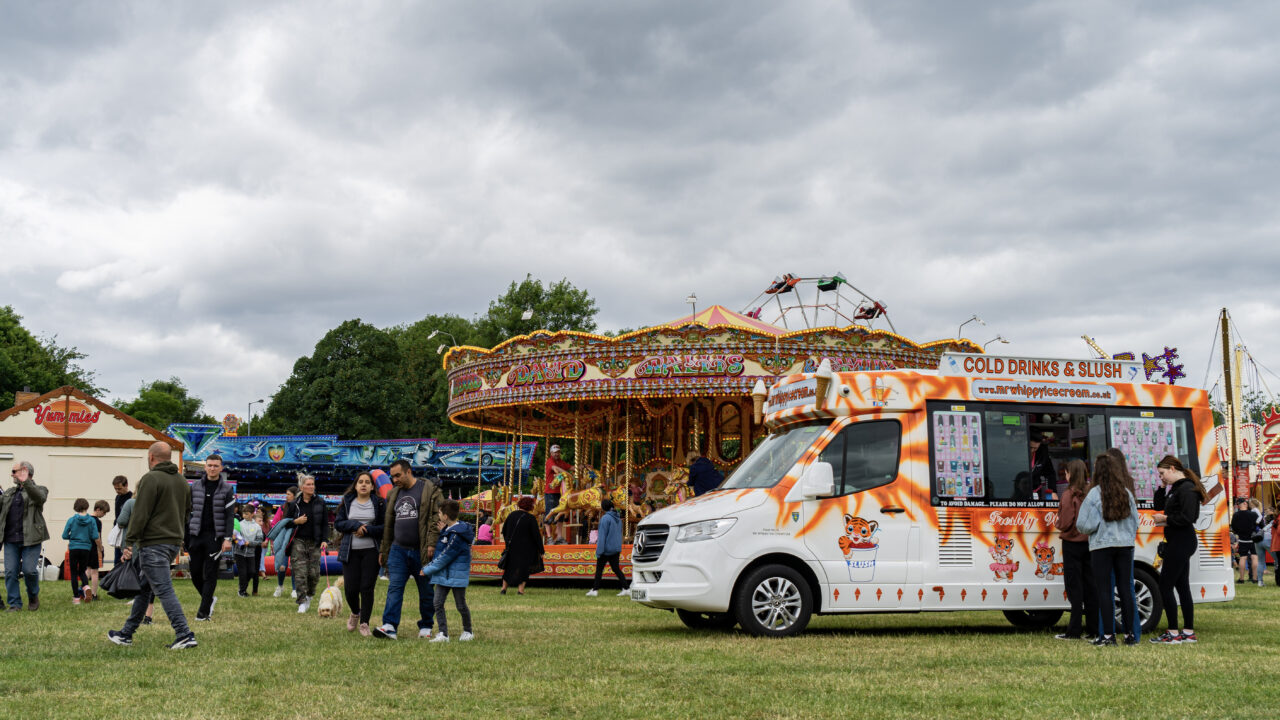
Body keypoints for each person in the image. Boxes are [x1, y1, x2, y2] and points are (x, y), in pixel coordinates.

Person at [108, 441, 197, 649]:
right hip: (173, 542)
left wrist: (129, 542)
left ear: (151, 457)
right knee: (144, 589)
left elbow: (141, 513)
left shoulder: (150, 479)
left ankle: (184, 634)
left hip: (153, 544)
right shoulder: (182, 482)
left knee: (164, 589)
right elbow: (186, 514)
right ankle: (126, 633)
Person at [373, 459, 444, 640]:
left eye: (398, 475)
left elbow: (437, 519)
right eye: (392, 476)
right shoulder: (393, 494)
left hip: (421, 549)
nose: (395, 479)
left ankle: (426, 626)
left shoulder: (429, 490)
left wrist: (432, 543)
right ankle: (389, 626)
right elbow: (388, 525)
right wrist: (384, 549)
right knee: (394, 587)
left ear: (408, 472)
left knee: (426, 590)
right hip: (398, 549)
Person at [1076, 453, 1139, 646]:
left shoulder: (1094, 494)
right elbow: (1135, 521)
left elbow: (1083, 525)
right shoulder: (1125, 492)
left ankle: (1109, 635)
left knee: (1104, 591)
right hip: (1125, 546)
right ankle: (1129, 634)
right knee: (1126, 590)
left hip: (1102, 546)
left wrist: (1098, 526)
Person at [1150, 455, 1206, 644]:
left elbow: (1188, 517)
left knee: (1165, 586)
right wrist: (1161, 489)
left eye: (1163, 474)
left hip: (1182, 540)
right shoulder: (1175, 489)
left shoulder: (1188, 489)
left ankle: (1173, 632)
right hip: (1177, 540)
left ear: (1173, 469)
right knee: (1181, 586)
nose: (1161, 477)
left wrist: (1165, 520)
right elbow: (1159, 506)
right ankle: (1188, 632)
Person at [334, 471, 386, 636]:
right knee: (350, 588)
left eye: (367, 482)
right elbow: (339, 523)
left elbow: (385, 527)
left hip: (371, 551)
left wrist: (367, 530)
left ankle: (364, 623)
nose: (363, 484)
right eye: (360, 482)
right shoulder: (348, 501)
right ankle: (355, 612)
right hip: (350, 551)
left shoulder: (379, 503)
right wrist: (355, 526)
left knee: (367, 588)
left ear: (372, 487)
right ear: (355, 486)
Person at [186, 454, 235, 621]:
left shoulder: (227, 489)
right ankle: (209, 599)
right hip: (196, 535)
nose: (212, 468)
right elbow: (187, 511)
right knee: (195, 573)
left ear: (221, 468)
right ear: (205, 467)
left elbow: (229, 516)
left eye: (215, 466)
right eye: (210, 465)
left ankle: (203, 612)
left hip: (215, 536)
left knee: (210, 573)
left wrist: (227, 538)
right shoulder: (195, 486)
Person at [1052, 459, 1097, 640]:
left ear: (1071, 474)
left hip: (1072, 543)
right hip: (1090, 543)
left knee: (1074, 588)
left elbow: (1065, 521)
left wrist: (1058, 523)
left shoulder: (1068, 494)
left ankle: (1074, 629)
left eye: (1067, 472)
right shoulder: (1091, 493)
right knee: (1091, 587)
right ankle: (1093, 629)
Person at [420, 499, 475, 643]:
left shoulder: (457, 535)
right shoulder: (450, 532)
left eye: (439, 512)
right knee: (437, 603)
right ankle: (443, 634)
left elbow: (446, 556)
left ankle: (468, 631)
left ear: (445, 516)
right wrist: (444, 531)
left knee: (460, 605)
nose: (438, 515)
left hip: (456, 575)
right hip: (444, 574)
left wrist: (427, 569)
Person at [1104, 447, 1143, 641]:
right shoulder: (1129, 483)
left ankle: (1106, 632)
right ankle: (1133, 632)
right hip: (1127, 540)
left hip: (1107, 540)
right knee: (1127, 588)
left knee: (1106, 588)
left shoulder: (1103, 486)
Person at [2, 460, 48, 612]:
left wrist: (26, 482)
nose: (12, 474)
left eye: (14, 471)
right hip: (10, 539)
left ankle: (33, 596)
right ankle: (15, 604)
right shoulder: (9, 492)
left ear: (25, 472)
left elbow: (39, 498)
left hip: (31, 539)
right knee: (10, 572)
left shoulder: (40, 489)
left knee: (29, 571)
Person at [286, 473, 328, 614]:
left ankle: (310, 595)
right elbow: (285, 523)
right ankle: (301, 602)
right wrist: (295, 522)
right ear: (301, 487)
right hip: (298, 541)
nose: (311, 487)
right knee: (300, 573)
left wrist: (324, 539)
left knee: (314, 574)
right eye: (308, 484)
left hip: (315, 542)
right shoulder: (293, 504)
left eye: (312, 484)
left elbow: (324, 524)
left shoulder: (320, 502)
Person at [112, 492, 153, 624]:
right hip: (153, 544)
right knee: (150, 578)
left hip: (134, 543)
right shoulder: (156, 503)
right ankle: (148, 614)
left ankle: (135, 602)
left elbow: (121, 521)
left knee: (136, 574)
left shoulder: (130, 503)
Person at [501, 496, 544, 595]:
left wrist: (508, 542)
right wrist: (541, 550)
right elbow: (536, 536)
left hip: (512, 547)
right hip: (526, 548)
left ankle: (503, 589)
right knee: (524, 569)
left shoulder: (511, 515)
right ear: (530, 506)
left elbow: (504, 531)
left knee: (509, 567)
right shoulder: (530, 518)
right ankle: (520, 590)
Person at [586, 498, 629, 597]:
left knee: (599, 570)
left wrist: (599, 551)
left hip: (606, 549)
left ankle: (595, 589)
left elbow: (602, 536)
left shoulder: (605, 519)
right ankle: (626, 587)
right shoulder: (618, 518)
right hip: (615, 548)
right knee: (616, 569)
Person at [62, 498, 99, 605]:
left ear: (76, 507)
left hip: (74, 548)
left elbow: (64, 535)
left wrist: (73, 537)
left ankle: (76, 599)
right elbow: (95, 536)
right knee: (82, 571)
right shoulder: (92, 520)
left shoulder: (71, 520)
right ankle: (86, 587)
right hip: (86, 548)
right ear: (87, 507)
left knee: (74, 573)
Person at [267, 486, 298, 598]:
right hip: (283, 540)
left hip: (295, 540)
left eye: (289, 494)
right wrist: (272, 539)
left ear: (295, 495)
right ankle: (280, 586)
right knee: (281, 565)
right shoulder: (282, 508)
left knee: (295, 566)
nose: (286, 496)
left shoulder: (300, 508)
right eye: (286, 494)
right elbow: (274, 524)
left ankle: (295, 589)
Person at [543, 445, 573, 545]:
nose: (557, 454)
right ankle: (549, 537)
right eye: (555, 452)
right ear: (551, 453)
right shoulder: (549, 461)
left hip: (561, 493)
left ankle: (559, 537)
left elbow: (571, 467)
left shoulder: (561, 462)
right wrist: (567, 473)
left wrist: (582, 467)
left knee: (561, 514)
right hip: (550, 492)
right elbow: (555, 468)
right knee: (549, 514)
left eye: (558, 452)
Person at [235, 504, 264, 598]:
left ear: (252, 514)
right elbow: (235, 537)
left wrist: (250, 543)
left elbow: (259, 540)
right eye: (244, 514)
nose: (245, 515)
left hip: (251, 554)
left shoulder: (257, 527)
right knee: (242, 573)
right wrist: (240, 542)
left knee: (252, 572)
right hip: (239, 552)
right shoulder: (239, 524)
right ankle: (242, 591)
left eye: (247, 514)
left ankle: (242, 586)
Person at [1231, 498, 1259, 584]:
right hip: (1253, 538)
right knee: (1254, 557)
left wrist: (1239, 533)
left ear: (1238, 505)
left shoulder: (1236, 515)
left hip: (1242, 539)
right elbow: (1258, 524)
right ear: (1245, 504)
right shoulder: (1253, 514)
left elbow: (1233, 527)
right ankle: (1255, 578)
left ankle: (1241, 579)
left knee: (1243, 558)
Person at [87, 499, 110, 601]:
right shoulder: (97, 521)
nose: (104, 515)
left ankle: (82, 589)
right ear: (98, 509)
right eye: (104, 512)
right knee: (95, 572)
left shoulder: (86, 519)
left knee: (87, 569)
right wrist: (101, 548)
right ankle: (93, 594)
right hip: (94, 549)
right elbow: (98, 536)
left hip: (85, 548)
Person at [1028, 434, 1057, 500]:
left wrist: (1051, 494)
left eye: (1035, 448)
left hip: (1036, 492)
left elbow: (1049, 475)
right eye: (1030, 447)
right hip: (1019, 494)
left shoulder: (1042, 453)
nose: (1032, 450)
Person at [111, 475, 131, 566]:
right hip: (118, 530)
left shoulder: (131, 497)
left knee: (125, 556)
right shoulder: (117, 497)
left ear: (126, 485)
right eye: (115, 489)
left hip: (127, 531)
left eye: (119, 488)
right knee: (117, 558)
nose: (117, 491)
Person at [1249, 498, 1267, 585]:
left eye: (1250, 503)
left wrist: (1256, 523)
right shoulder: (1254, 509)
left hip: (1257, 527)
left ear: (1252, 504)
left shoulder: (1255, 509)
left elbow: (1260, 517)